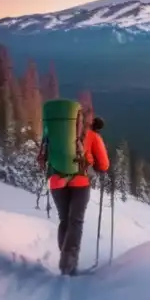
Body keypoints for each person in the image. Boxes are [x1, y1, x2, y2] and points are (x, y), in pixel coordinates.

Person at [49, 111, 110, 275]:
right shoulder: (90, 134)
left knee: (64, 220)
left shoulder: (55, 132)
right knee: (75, 221)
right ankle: (68, 264)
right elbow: (104, 165)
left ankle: (65, 260)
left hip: (57, 181)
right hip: (80, 182)